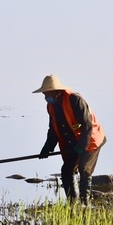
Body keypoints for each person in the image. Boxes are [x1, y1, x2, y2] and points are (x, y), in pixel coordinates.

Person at [33, 75, 106, 206]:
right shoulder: (51, 106)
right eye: (44, 94)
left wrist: (80, 148)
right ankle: (73, 204)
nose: (45, 97)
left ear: (56, 92)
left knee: (84, 168)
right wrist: (47, 148)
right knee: (67, 170)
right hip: (73, 142)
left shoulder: (74, 99)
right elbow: (53, 129)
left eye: (47, 93)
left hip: (91, 139)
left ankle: (85, 204)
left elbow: (87, 126)